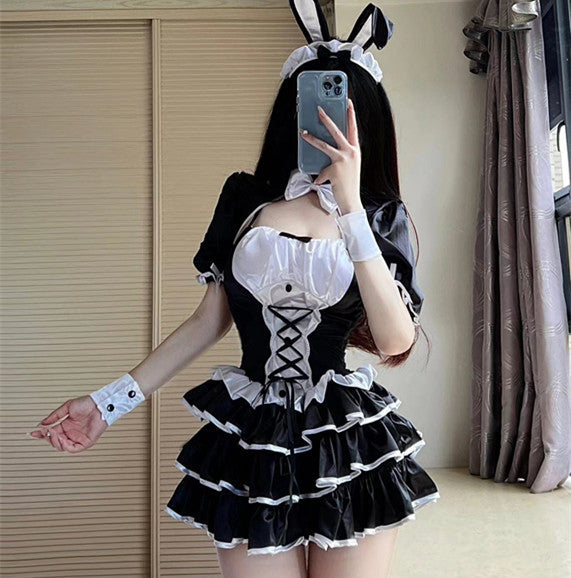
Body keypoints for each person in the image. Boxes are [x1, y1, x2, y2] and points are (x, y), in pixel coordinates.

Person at [28, 1, 440, 576]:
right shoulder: (245, 201)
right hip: (253, 441)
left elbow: (396, 340)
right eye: (312, 102)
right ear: (291, 110)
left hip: (347, 440)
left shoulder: (380, 217)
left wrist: (351, 209)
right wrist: (106, 404)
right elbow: (207, 323)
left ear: (364, 120)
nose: (324, 122)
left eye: (340, 109)